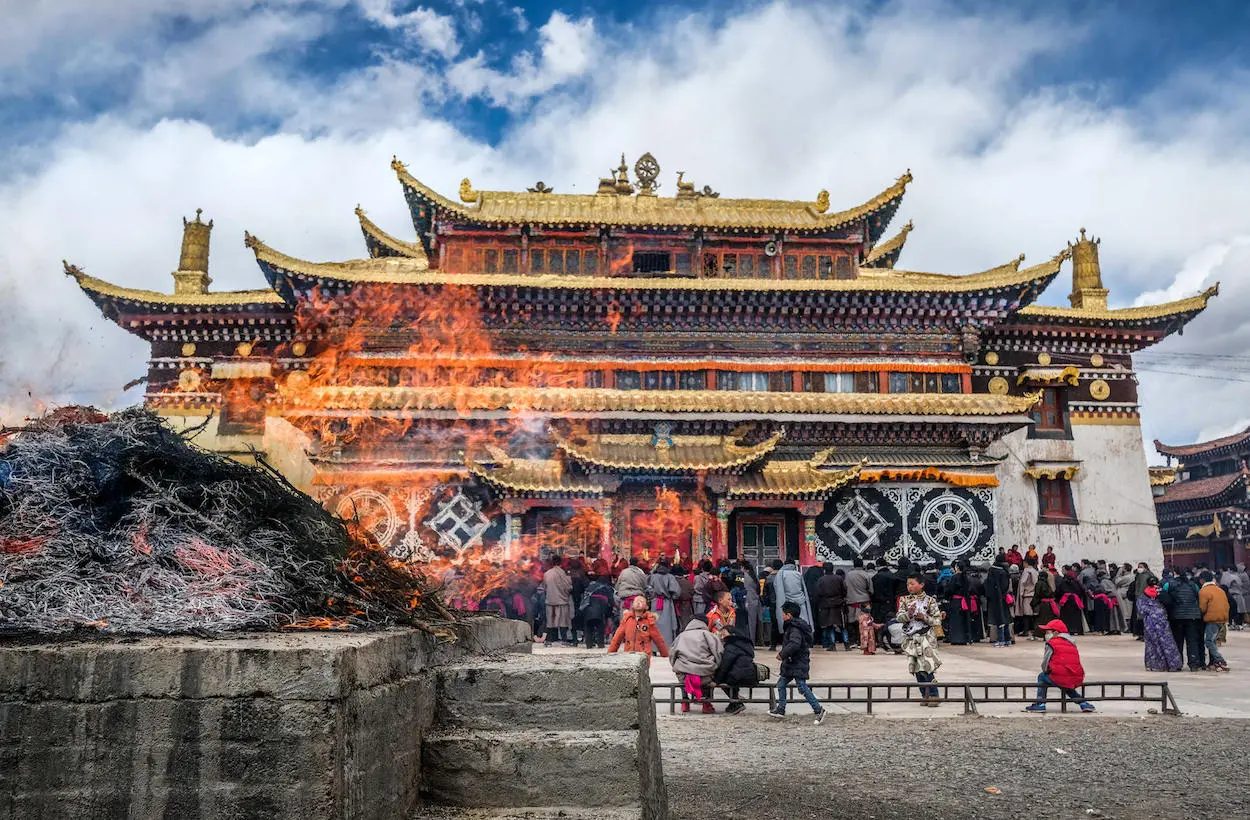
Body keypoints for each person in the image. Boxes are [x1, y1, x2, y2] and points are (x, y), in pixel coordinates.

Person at [768, 601, 827, 724]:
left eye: (783, 614)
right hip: (792, 663)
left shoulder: (794, 628)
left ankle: (819, 710)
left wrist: (782, 654)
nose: (782, 616)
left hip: (797, 662)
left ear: (789, 615)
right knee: (781, 684)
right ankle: (780, 709)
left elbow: (794, 644)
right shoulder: (796, 626)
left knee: (802, 687)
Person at [1024, 619, 1096, 713]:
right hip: (1076, 676)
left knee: (1043, 677)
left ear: (1056, 632)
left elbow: (1045, 662)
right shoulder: (1071, 642)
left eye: (1048, 632)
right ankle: (1083, 703)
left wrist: (1046, 671)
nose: (1046, 634)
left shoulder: (1052, 643)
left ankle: (1040, 703)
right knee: (1065, 682)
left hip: (1061, 677)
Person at [897, 573, 944, 707]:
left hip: (926, 638)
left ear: (921, 585)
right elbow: (899, 617)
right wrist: (908, 614)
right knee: (916, 668)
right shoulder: (904, 600)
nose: (909, 587)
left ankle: (934, 694)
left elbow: (937, 620)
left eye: (912, 584)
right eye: (908, 584)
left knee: (927, 667)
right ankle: (925, 695)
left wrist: (924, 618)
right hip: (911, 639)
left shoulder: (930, 601)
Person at [670, 614, 724, 713]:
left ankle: (685, 701)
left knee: (682, 671)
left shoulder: (681, 636)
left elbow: (672, 654)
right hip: (705, 674)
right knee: (710, 675)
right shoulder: (709, 635)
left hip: (684, 675)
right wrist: (715, 666)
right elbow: (719, 653)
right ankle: (706, 703)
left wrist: (676, 666)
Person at [1163, 571, 1206, 671]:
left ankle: (1177, 664)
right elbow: (1198, 598)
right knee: (1192, 641)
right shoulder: (1194, 585)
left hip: (1176, 617)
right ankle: (1194, 664)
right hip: (1192, 617)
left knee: (1177, 641)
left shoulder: (1168, 585)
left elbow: (1165, 599)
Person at [713, 624, 759, 715]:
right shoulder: (744, 645)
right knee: (732, 675)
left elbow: (725, 666)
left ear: (732, 634)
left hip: (739, 676)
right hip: (751, 675)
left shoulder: (731, 646)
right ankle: (734, 700)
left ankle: (736, 701)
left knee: (723, 680)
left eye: (724, 634)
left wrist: (716, 681)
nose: (722, 637)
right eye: (721, 635)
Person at [608, 594, 669, 661]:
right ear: (632, 605)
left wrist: (665, 654)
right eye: (636, 601)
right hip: (628, 654)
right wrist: (610, 653)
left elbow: (658, 639)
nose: (638, 603)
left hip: (644, 656)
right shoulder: (627, 619)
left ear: (646, 606)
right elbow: (617, 638)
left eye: (641, 601)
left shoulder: (649, 620)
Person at [1139, 583, 1182, 672]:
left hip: (1150, 622)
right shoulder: (1162, 592)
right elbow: (1169, 603)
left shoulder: (1143, 595)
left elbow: (1141, 610)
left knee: (1152, 643)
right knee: (1167, 642)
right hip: (1162, 620)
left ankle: (1156, 665)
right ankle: (1172, 664)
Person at [1199, 571, 1231, 672]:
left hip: (1212, 619)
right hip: (1222, 618)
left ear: (1202, 580)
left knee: (1209, 641)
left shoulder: (1203, 591)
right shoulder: (1220, 590)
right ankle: (1214, 663)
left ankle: (1220, 660)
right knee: (1213, 641)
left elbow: (1202, 608)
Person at [814, 562, 850, 650]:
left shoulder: (821, 580)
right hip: (838, 604)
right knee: (842, 625)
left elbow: (817, 593)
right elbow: (844, 590)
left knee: (829, 625)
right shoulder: (839, 578)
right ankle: (846, 644)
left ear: (824, 570)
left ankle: (832, 644)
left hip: (826, 604)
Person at [647, 558, 681, 647]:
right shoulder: (670, 577)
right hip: (667, 602)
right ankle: (667, 644)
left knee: (655, 623)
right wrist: (672, 597)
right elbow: (676, 591)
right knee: (668, 625)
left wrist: (652, 597)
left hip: (655, 602)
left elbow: (648, 589)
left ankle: (654, 645)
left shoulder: (653, 576)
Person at [772, 560, 813, 631]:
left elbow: (778, 589)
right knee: (802, 623)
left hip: (788, 604)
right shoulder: (798, 573)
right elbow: (803, 588)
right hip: (801, 602)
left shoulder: (781, 574)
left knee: (790, 626)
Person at [542, 558, 574, 646]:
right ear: (561, 563)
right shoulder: (563, 573)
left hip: (550, 600)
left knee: (550, 621)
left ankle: (550, 640)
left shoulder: (547, 573)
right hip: (562, 601)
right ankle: (564, 639)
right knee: (563, 621)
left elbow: (544, 587)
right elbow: (568, 587)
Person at [579, 573, 616, 648]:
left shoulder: (590, 587)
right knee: (600, 627)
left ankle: (589, 644)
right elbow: (611, 602)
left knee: (589, 627)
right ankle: (600, 644)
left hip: (588, 608)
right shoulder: (607, 588)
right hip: (600, 610)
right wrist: (609, 613)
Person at [985, 556, 1013, 647]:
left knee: (999, 619)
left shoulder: (993, 571)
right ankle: (1007, 639)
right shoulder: (1005, 570)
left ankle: (1001, 640)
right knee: (1005, 618)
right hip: (1004, 597)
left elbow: (989, 585)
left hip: (996, 598)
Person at [1055, 568, 1086, 636]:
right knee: (1076, 616)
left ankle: (1068, 629)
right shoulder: (1076, 581)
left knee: (1066, 617)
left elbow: (1058, 592)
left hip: (1066, 601)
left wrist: (1058, 598)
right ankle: (1078, 630)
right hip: (1075, 600)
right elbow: (1082, 590)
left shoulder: (1062, 582)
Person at [1015, 557, 1040, 640]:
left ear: (1026, 563)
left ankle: (1026, 630)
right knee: (1033, 614)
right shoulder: (1035, 571)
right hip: (1034, 594)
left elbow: (1023, 583)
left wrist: (1021, 593)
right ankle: (1034, 631)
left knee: (1026, 614)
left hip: (1027, 594)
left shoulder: (1026, 571)